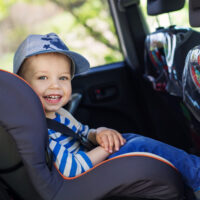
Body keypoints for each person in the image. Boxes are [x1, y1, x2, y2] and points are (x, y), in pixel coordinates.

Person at [13, 33, 200, 195]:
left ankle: (192, 171)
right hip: (80, 182)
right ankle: (197, 175)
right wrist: (107, 149)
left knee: (129, 139)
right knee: (135, 144)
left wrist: (99, 133)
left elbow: (83, 133)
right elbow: (70, 170)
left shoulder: (59, 113)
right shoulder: (38, 130)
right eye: (43, 77)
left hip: (89, 165)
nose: (56, 85)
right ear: (22, 85)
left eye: (63, 78)